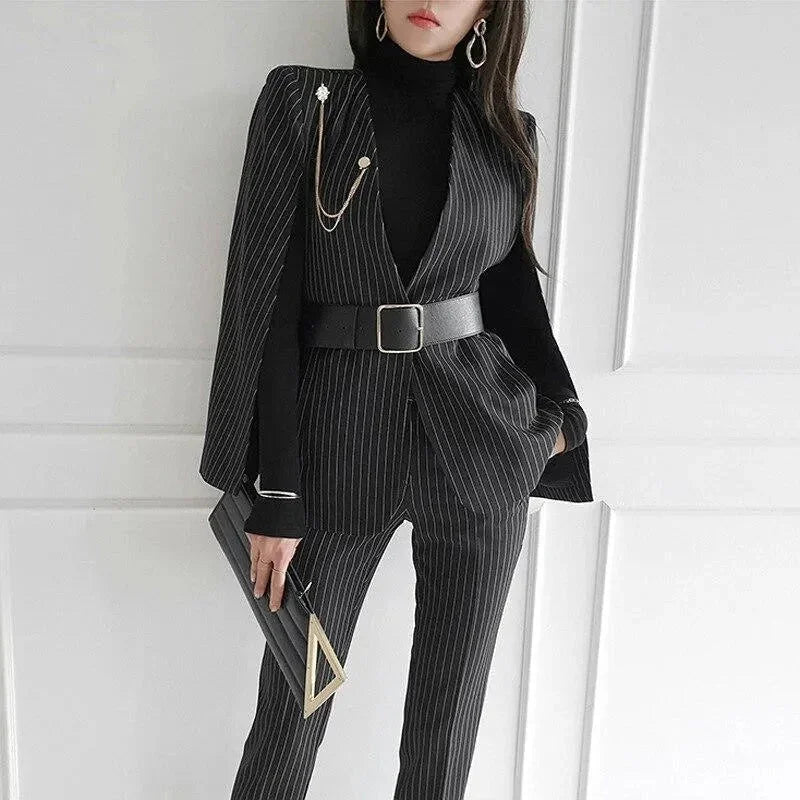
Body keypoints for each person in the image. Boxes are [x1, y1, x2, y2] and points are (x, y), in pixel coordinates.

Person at [199, 2, 593, 797]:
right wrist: (277, 492)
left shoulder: (507, 136)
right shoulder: (302, 105)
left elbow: (513, 299)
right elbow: (266, 302)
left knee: (445, 736)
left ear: (490, 10)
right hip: (333, 449)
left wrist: (562, 421)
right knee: (292, 714)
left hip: (480, 447)